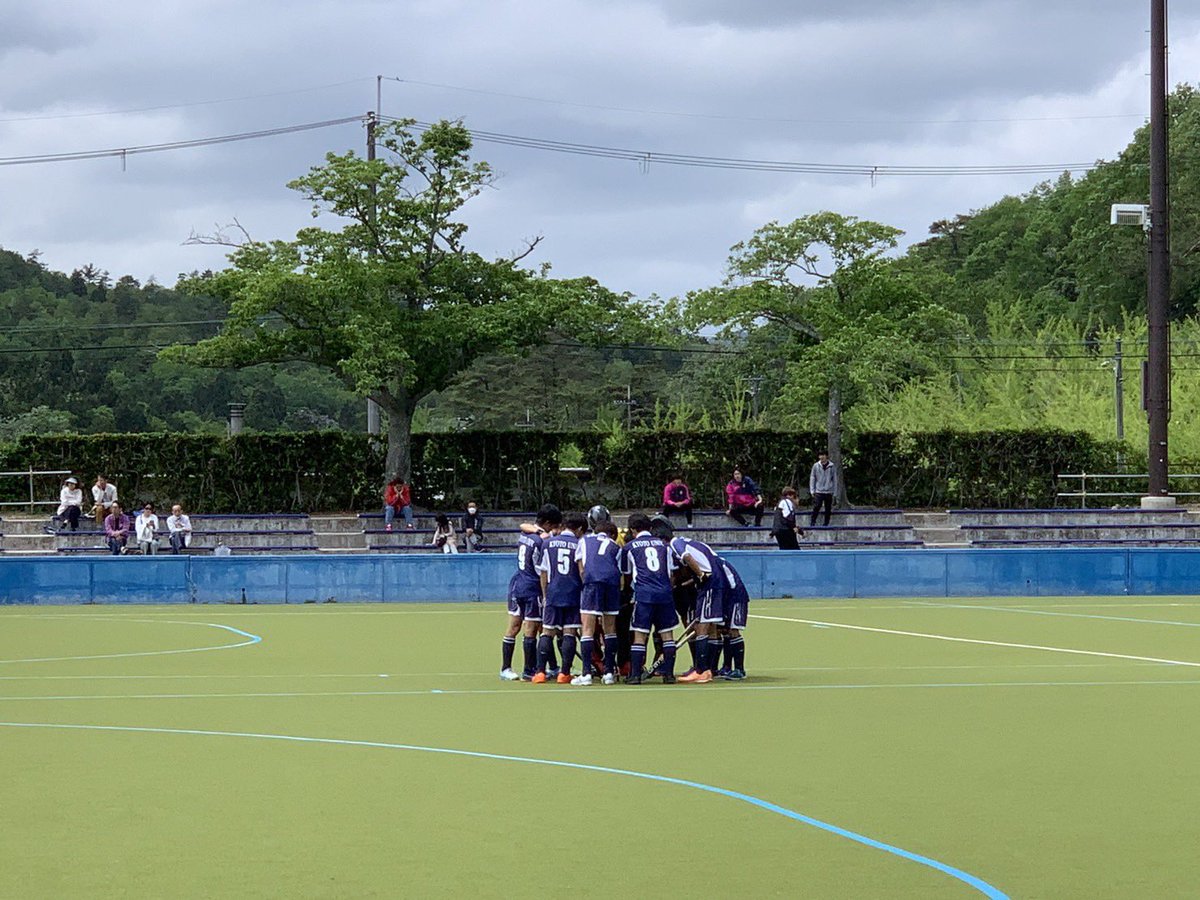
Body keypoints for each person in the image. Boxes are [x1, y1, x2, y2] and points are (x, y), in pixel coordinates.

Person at [499, 504, 561, 682]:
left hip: (517, 583)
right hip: (532, 587)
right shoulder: (541, 541)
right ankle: (529, 670)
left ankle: (506, 668)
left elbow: (524, 525)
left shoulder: (526, 534)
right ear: (548, 523)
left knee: (514, 627)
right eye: (554, 526)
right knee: (532, 628)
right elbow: (543, 569)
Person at [617, 512, 679, 684]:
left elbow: (627, 574)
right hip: (665, 594)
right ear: (650, 528)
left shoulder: (629, 547)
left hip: (644, 594)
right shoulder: (664, 546)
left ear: (632, 529)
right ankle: (668, 675)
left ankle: (635, 675)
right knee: (667, 635)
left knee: (640, 635)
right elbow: (672, 572)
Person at [532, 513, 586, 684]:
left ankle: (540, 672)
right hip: (573, 593)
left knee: (547, 632)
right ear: (578, 529)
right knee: (569, 632)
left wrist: (545, 594)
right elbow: (582, 571)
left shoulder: (548, 544)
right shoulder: (579, 544)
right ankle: (564, 673)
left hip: (553, 592)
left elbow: (544, 571)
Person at [574, 519, 622, 685]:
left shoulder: (584, 540)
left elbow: (581, 567)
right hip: (612, 584)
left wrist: (585, 583)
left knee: (587, 629)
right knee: (610, 629)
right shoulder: (615, 546)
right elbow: (620, 570)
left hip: (592, 582)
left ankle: (586, 673)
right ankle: (609, 673)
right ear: (611, 535)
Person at [716, 557, 750, 680]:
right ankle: (726, 667)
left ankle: (739, 669)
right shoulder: (714, 561)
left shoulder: (715, 563)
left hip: (736, 597)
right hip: (725, 598)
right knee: (724, 631)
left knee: (733, 631)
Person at [809, 451, 837, 527]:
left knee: (828, 508)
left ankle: (826, 523)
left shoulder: (832, 466)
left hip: (828, 491)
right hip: (819, 490)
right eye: (820, 455)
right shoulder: (816, 466)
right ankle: (813, 521)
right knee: (817, 506)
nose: (822, 457)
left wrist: (835, 492)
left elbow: (834, 479)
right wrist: (812, 490)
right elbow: (812, 477)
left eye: (823, 455)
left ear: (826, 456)